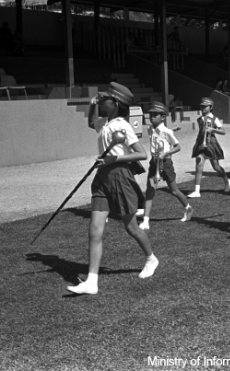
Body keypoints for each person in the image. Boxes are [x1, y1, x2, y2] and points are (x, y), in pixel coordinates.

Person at [67, 83, 158, 295]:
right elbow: (92, 123)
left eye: (105, 99)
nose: (101, 100)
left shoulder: (122, 126)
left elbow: (141, 154)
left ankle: (151, 258)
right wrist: (92, 106)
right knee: (94, 231)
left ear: (115, 104)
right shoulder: (106, 123)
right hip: (103, 179)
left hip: (120, 177)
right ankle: (92, 282)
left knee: (131, 228)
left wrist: (114, 158)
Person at [139, 102, 193, 230]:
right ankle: (145, 221)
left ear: (162, 117)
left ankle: (188, 208)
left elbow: (178, 147)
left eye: (155, 115)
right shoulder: (150, 129)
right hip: (154, 162)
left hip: (166, 163)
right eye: (150, 114)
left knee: (174, 190)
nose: (151, 117)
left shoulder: (166, 131)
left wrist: (166, 153)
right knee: (150, 192)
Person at [188, 97, 230, 198]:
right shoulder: (199, 119)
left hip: (211, 144)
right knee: (199, 163)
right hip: (201, 144)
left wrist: (213, 130)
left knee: (216, 167)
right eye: (201, 106)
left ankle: (226, 180)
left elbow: (223, 131)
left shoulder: (214, 119)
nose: (202, 108)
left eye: (205, 106)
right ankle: (197, 191)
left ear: (211, 107)